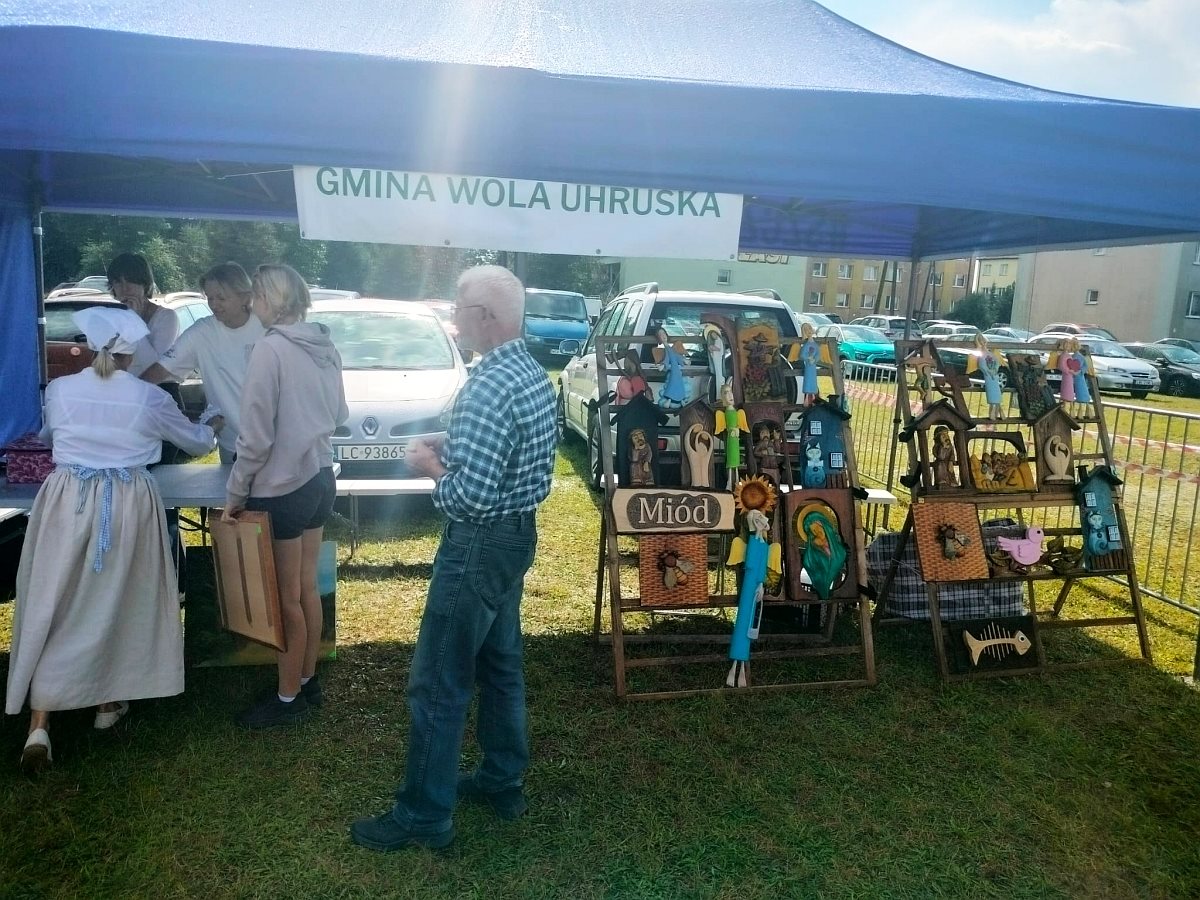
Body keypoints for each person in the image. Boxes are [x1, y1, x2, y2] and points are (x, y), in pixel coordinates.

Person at [350, 264, 557, 853]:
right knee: (501, 664)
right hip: (515, 538)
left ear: (484, 317)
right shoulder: (529, 372)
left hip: (478, 543)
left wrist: (430, 465)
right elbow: (514, 455)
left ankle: (423, 814)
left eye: (458, 310)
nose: (453, 320)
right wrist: (455, 442)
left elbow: (472, 497)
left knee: (439, 679)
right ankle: (501, 777)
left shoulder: (488, 386)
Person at [6, 307, 217, 773]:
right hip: (125, 501)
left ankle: (40, 723)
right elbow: (198, 443)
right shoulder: (147, 397)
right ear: (131, 352)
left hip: (66, 499)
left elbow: (48, 438)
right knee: (117, 599)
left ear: (88, 345)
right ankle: (107, 701)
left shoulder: (59, 390)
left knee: (56, 600)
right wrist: (213, 423)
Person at [222, 264, 348, 729]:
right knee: (306, 589)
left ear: (269, 300)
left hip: (283, 487)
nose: (251, 303)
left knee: (285, 598)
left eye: (255, 295)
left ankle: (288, 697)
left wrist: (235, 493)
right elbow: (340, 412)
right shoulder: (325, 345)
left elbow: (255, 439)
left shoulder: (269, 349)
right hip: (319, 477)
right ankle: (307, 679)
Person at [141, 262, 266, 462]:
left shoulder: (267, 327)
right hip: (232, 445)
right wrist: (125, 395)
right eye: (210, 297)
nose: (214, 304)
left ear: (245, 296)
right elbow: (160, 370)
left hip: (276, 443)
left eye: (221, 298)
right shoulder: (202, 331)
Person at [106, 252, 180, 378]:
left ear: (144, 284)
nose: (125, 288)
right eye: (118, 282)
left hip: (159, 387)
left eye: (131, 281)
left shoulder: (166, 317)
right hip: (124, 385)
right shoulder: (113, 318)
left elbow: (154, 367)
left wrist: (133, 321)